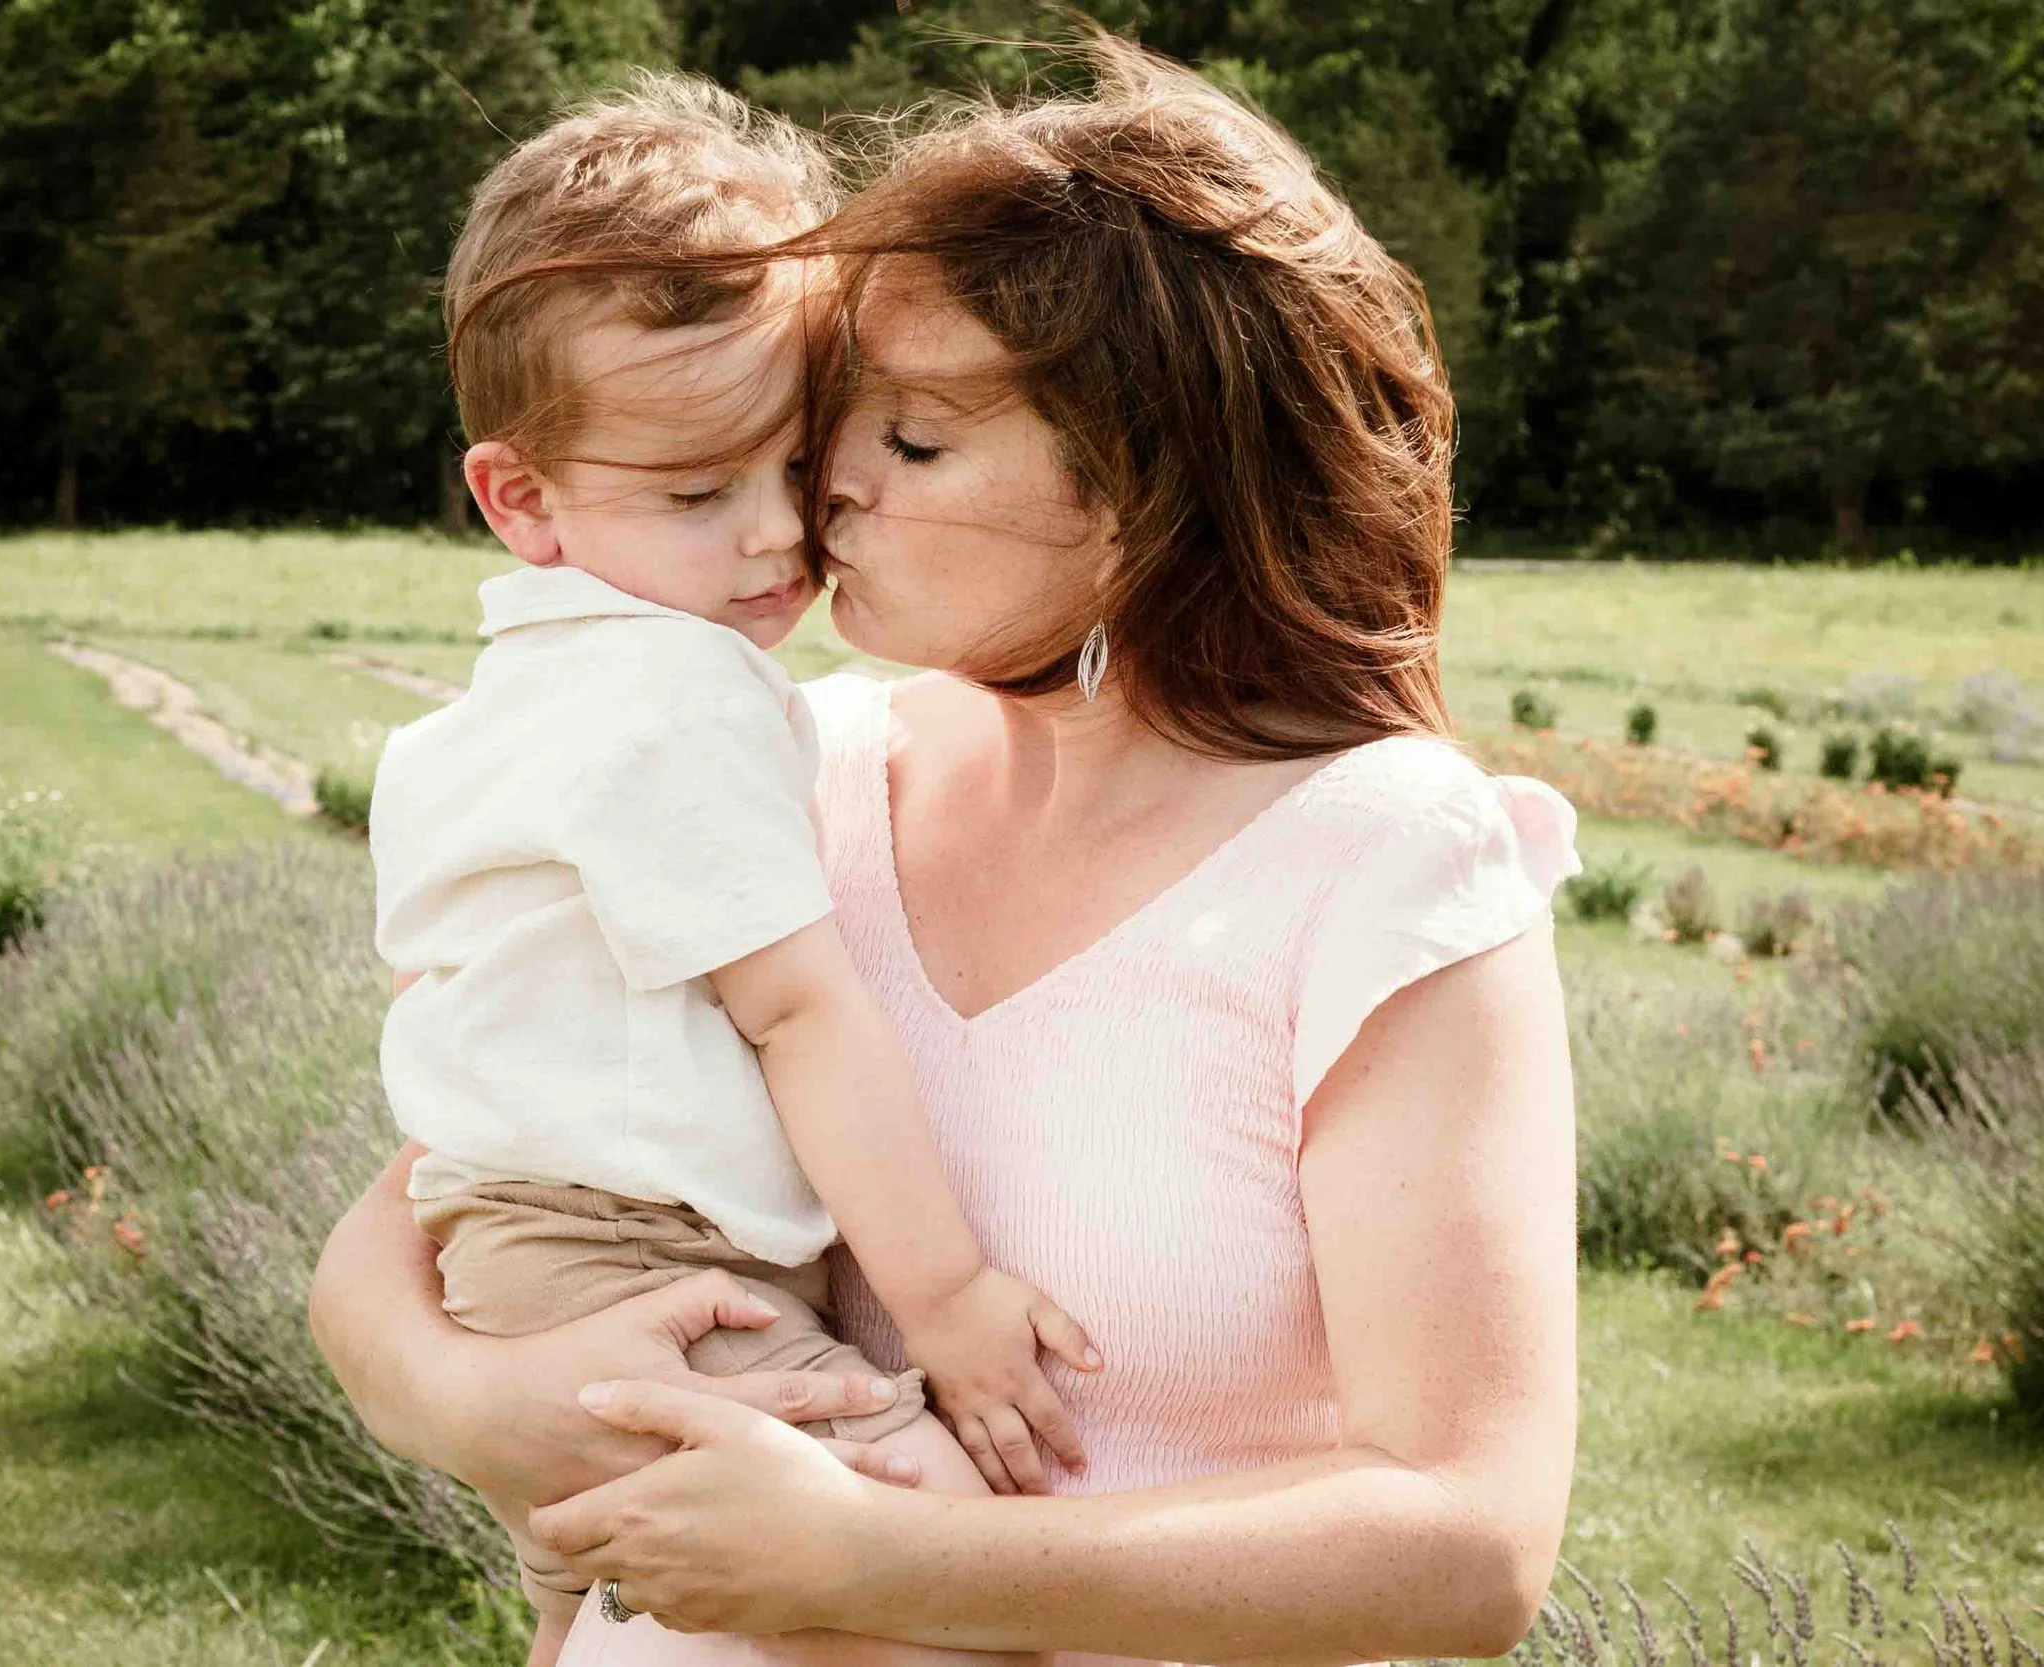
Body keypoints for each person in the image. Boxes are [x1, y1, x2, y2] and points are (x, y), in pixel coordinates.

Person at [313, 36, 1582, 1666]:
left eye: (912, 444)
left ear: (1148, 499)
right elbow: (428, 1187)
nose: (823, 486)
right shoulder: (807, 769)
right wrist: (481, 1402)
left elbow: (1467, 1544)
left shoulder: (1380, 864)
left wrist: (891, 1559)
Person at [373, 75, 1101, 1660]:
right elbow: (801, 1014)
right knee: (923, 1550)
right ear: (520, 497)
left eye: (794, 460)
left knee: (612, 1603)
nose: (780, 534)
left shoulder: (503, 704)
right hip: (642, 1258)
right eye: (699, 493)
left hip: (511, 1245)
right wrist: (955, 1295)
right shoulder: (675, 694)